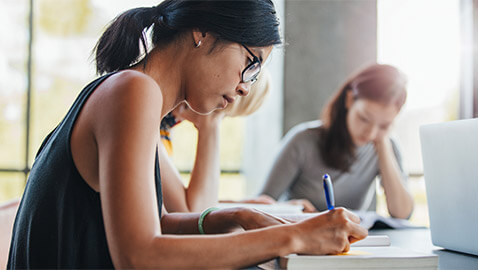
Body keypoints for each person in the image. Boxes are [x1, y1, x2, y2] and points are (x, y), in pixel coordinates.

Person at [7, 1, 367, 269]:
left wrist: (238, 216)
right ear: (202, 32)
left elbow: (158, 221)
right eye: (250, 64)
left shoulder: (132, 93)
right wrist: (293, 235)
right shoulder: (133, 91)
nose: (244, 88)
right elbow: (139, 255)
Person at [259, 64, 414, 219]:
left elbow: (402, 214)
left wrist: (383, 146)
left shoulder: (386, 146)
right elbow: (260, 205)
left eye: (384, 125)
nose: (371, 132)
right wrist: (288, 209)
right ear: (349, 100)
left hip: (350, 241)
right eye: (364, 119)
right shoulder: (303, 140)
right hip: (300, 236)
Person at [160, 70, 272, 213]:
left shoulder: (166, 125)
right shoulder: (154, 119)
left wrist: (235, 204)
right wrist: (210, 125)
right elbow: (196, 214)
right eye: (223, 114)